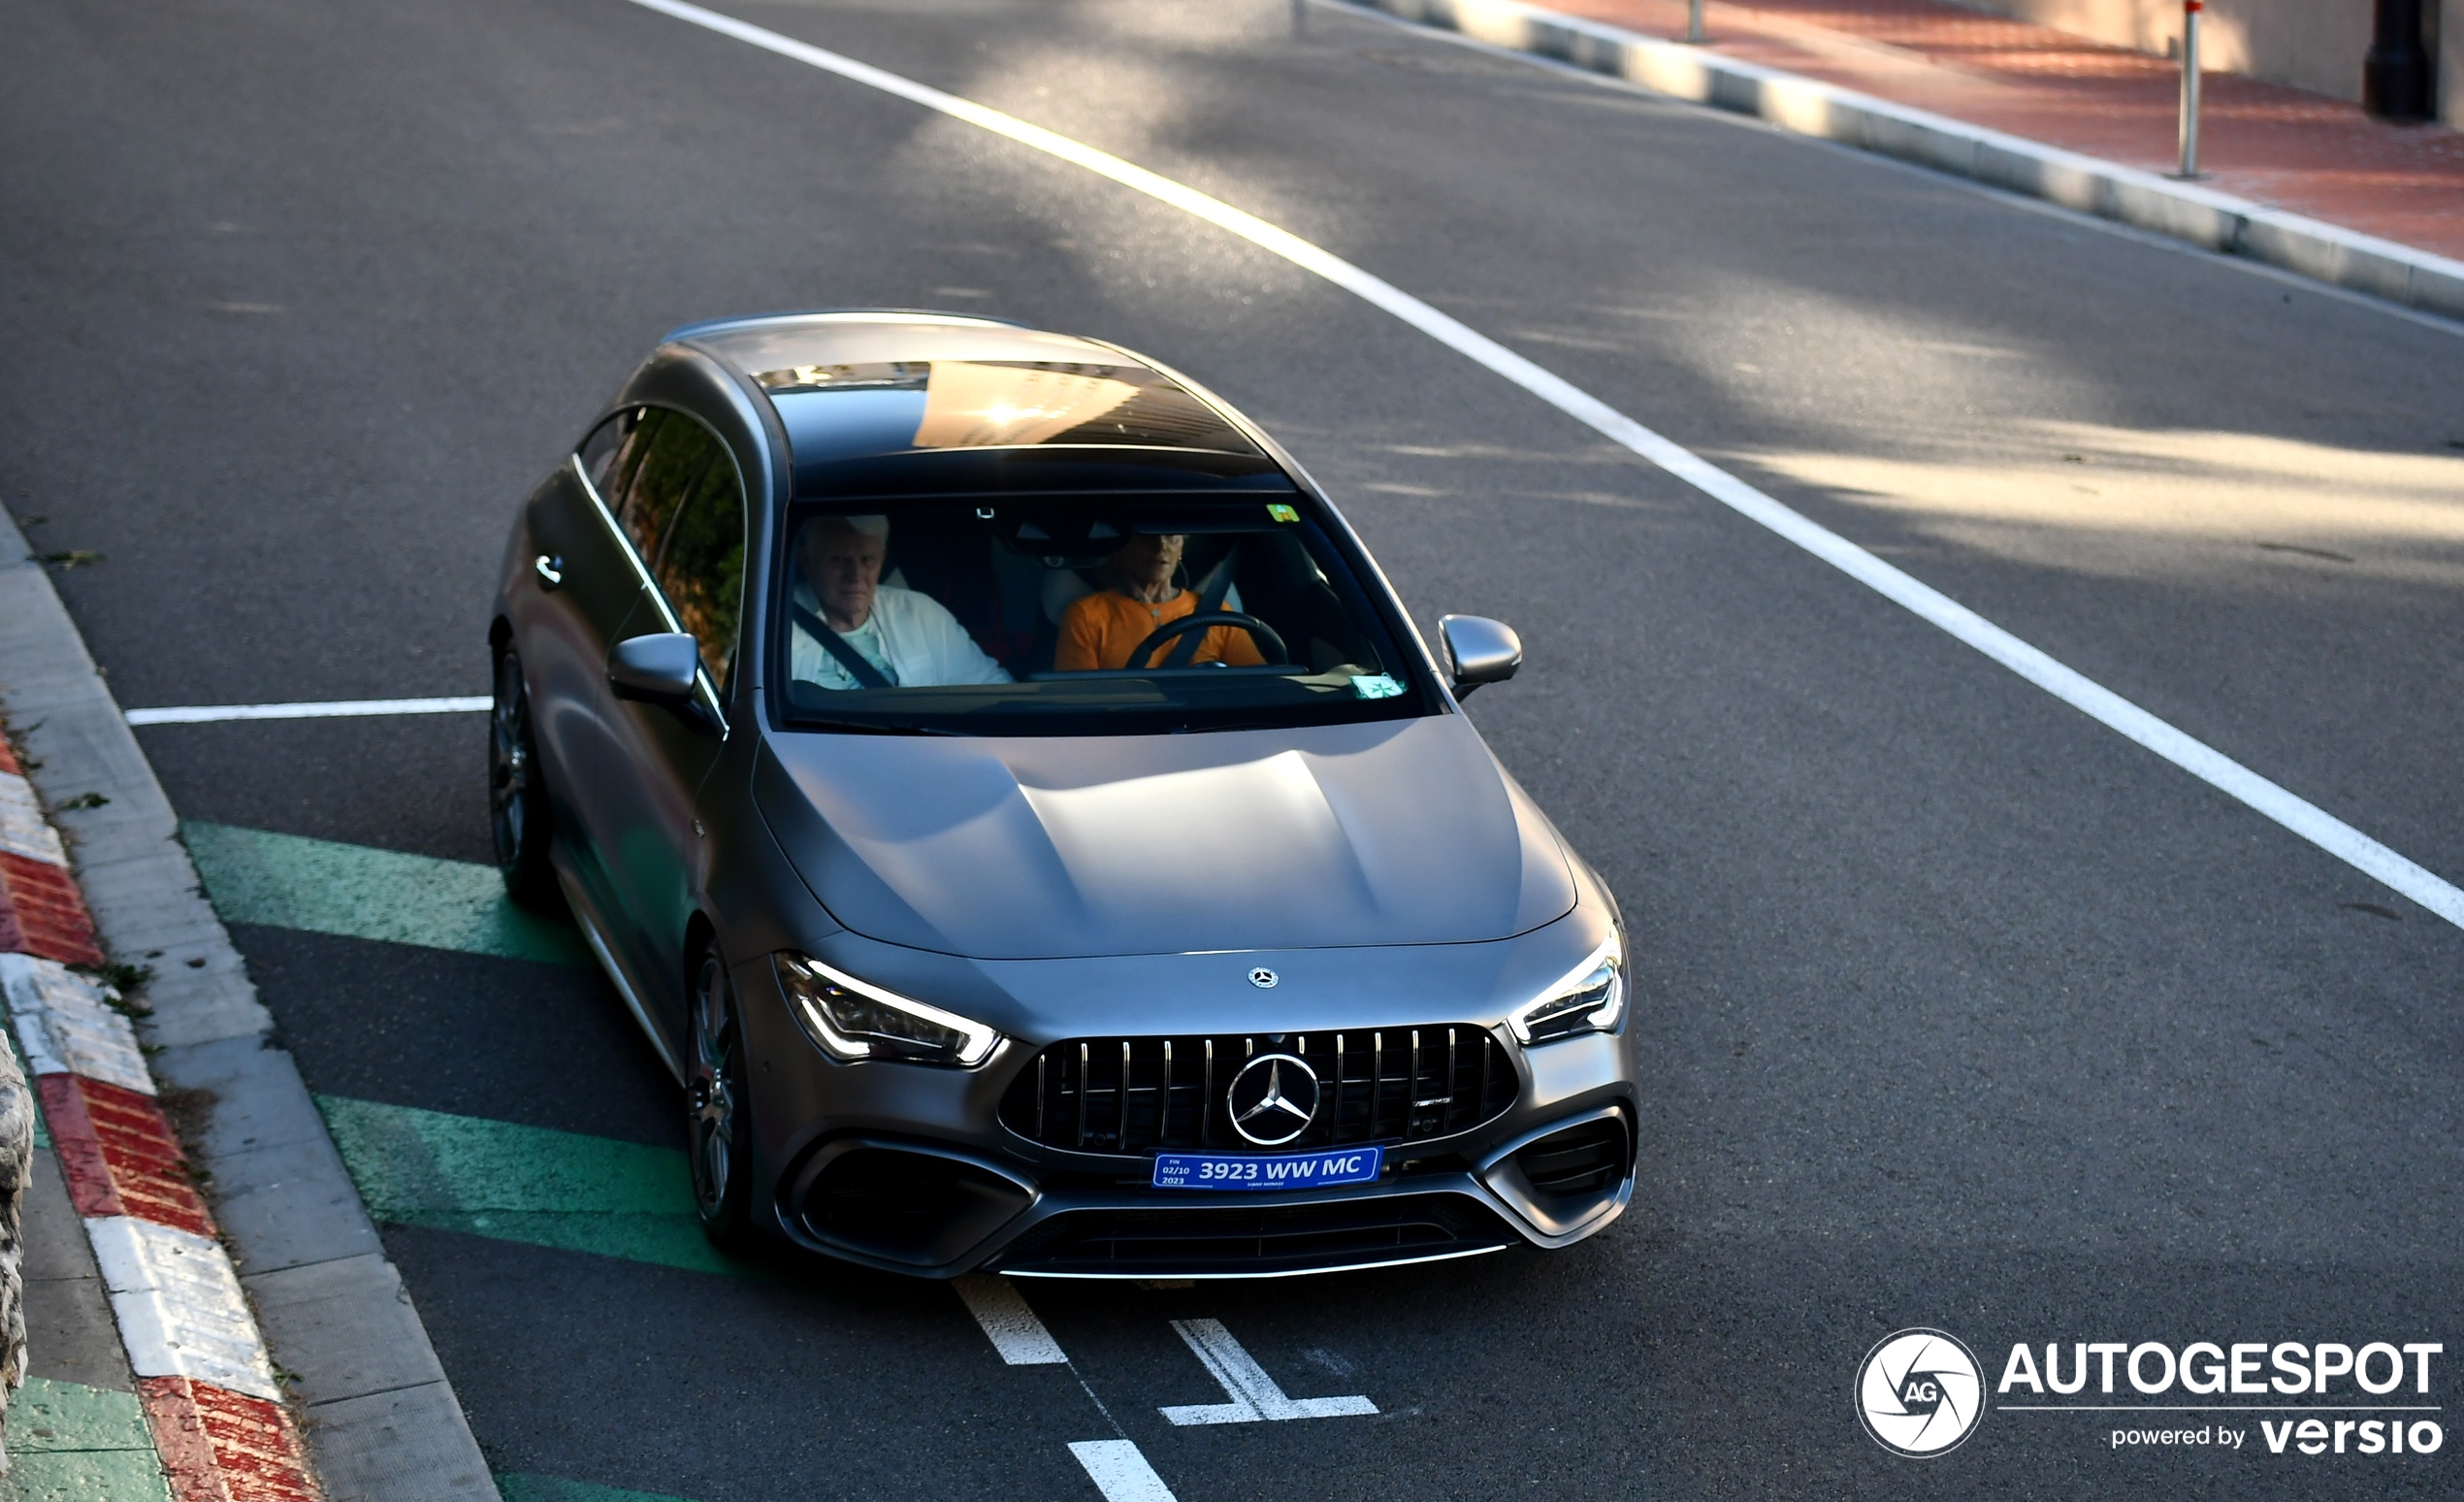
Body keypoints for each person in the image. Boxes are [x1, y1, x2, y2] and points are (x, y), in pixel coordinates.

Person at [790, 514, 1011, 690]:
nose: (856, 575)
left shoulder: (921, 614)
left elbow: (990, 687)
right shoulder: (773, 624)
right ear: (807, 561)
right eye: (839, 560)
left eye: (867, 559)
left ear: (882, 559)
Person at [1054, 533, 1267, 672]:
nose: (1161, 546)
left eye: (1172, 537)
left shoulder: (1216, 612)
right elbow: (1080, 698)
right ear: (1120, 550)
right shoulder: (1087, 615)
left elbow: (1260, 684)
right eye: (1148, 536)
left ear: (1181, 549)